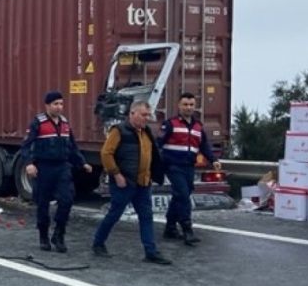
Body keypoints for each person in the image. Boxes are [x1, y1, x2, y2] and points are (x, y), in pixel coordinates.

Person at [91, 100, 171, 265]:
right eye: (143, 115)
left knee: (146, 216)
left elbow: (152, 155)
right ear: (132, 114)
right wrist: (116, 175)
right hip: (125, 182)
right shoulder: (119, 131)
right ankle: (98, 243)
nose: (146, 118)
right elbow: (106, 154)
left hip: (143, 183)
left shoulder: (146, 132)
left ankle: (151, 251)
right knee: (115, 214)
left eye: (148, 115)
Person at [21, 90, 93, 253]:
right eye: (55, 104)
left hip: (62, 167)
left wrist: (82, 163)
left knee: (67, 200)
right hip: (44, 168)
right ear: (47, 105)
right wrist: (29, 164)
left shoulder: (65, 124)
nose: (59, 107)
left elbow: (72, 147)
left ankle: (59, 234)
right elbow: (26, 146)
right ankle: (44, 236)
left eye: (61, 103)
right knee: (43, 204)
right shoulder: (37, 123)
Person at [158, 93, 222, 245]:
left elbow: (204, 146)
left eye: (191, 104)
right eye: (185, 104)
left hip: (189, 166)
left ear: (195, 106)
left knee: (179, 196)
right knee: (183, 195)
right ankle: (187, 230)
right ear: (179, 106)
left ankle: (170, 228)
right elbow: (158, 143)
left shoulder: (198, 126)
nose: (188, 107)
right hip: (173, 165)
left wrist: (213, 160)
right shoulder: (170, 124)